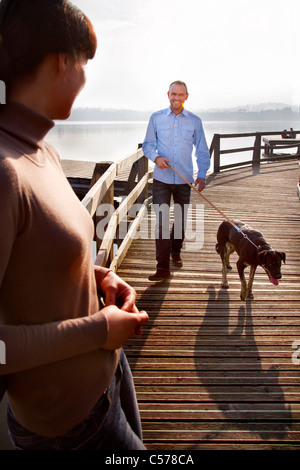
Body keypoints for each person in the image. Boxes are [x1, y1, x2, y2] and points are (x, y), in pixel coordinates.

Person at [0, 0, 149, 450]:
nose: (86, 77)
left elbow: (40, 255)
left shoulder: (43, 150)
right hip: (68, 427)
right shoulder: (4, 169)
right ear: (63, 62)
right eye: (86, 63)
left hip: (108, 374)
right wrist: (99, 330)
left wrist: (97, 276)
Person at [142, 80, 211, 281]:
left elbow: (201, 150)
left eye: (181, 95)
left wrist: (202, 174)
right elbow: (147, 145)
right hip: (161, 179)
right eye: (173, 94)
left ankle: (175, 251)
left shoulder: (195, 121)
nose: (176, 98)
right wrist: (156, 158)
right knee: (162, 223)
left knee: (180, 221)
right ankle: (162, 268)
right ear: (168, 94)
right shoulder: (156, 118)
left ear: (186, 97)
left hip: (184, 180)